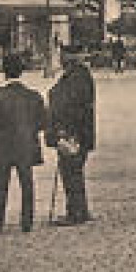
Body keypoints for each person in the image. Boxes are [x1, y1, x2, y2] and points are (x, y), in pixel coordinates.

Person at [0, 54, 47, 235]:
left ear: (5, 73)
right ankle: (27, 221)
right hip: (25, 145)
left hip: (3, 147)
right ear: (22, 72)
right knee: (27, 183)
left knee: (0, 185)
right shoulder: (34, 96)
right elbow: (44, 121)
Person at [46, 47, 97, 226]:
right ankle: (79, 209)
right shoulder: (77, 76)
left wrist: (64, 130)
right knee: (73, 171)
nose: (60, 59)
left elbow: (72, 107)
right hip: (77, 132)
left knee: (70, 171)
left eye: (63, 55)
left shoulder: (77, 78)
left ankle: (75, 212)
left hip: (73, 133)